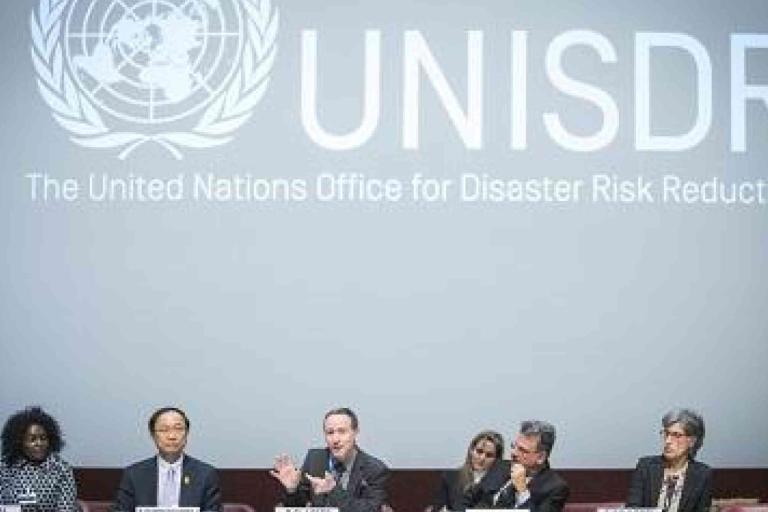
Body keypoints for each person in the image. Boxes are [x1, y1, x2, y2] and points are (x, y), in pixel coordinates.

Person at [271, 407, 389, 512]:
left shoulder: (375, 469)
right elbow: (298, 506)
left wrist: (334, 491)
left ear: (355, 432)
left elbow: (370, 509)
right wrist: (292, 490)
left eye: (342, 432)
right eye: (330, 433)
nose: (335, 439)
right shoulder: (315, 458)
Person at [113, 406, 221, 511]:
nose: (172, 436)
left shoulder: (206, 474)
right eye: (164, 430)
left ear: (187, 433)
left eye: (178, 429)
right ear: (153, 435)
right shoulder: (134, 474)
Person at [464, 420, 569, 512]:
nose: (514, 453)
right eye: (514, 446)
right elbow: (469, 498)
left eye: (522, 450)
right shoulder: (501, 466)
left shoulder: (556, 488)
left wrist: (522, 491)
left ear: (541, 457)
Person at [626, 408, 712, 512]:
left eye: (677, 435)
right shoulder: (646, 466)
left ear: (692, 441)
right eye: (666, 434)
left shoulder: (702, 474)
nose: (668, 441)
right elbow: (632, 508)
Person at [0, 406, 79, 512]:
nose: (39, 443)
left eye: (43, 438)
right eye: (32, 439)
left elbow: (66, 508)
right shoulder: (5, 466)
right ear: (19, 442)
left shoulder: (61, 469)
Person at [427, 430, 504, 512]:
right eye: (479, 451)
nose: (482, 458)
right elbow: (437, 508)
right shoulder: (451, 477)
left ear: (497, 459)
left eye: (489, 455)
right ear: (471, 451)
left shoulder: (502, 484)